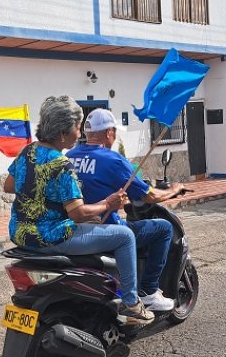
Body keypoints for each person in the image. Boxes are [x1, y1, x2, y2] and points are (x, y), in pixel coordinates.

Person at [3, 96, 155, 326]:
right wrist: (109, 203)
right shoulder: (61, 165)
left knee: (93, 226)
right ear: (63, 132)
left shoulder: (27, 152)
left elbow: (10, 185)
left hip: (21, 234)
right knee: (125, 236)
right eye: (77, 126)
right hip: (51, 237)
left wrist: (40, 191)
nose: (79, 133)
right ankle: (132, 304)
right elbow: (78, 213)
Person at [66, 108, 187, 311]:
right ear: (108, 133)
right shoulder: (113, 160)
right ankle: (149, 292)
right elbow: (150, 196)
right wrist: (174, 189)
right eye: (114, 131)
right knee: (164, 228)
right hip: (107, 228)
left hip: (79, 229)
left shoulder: (70, 155)